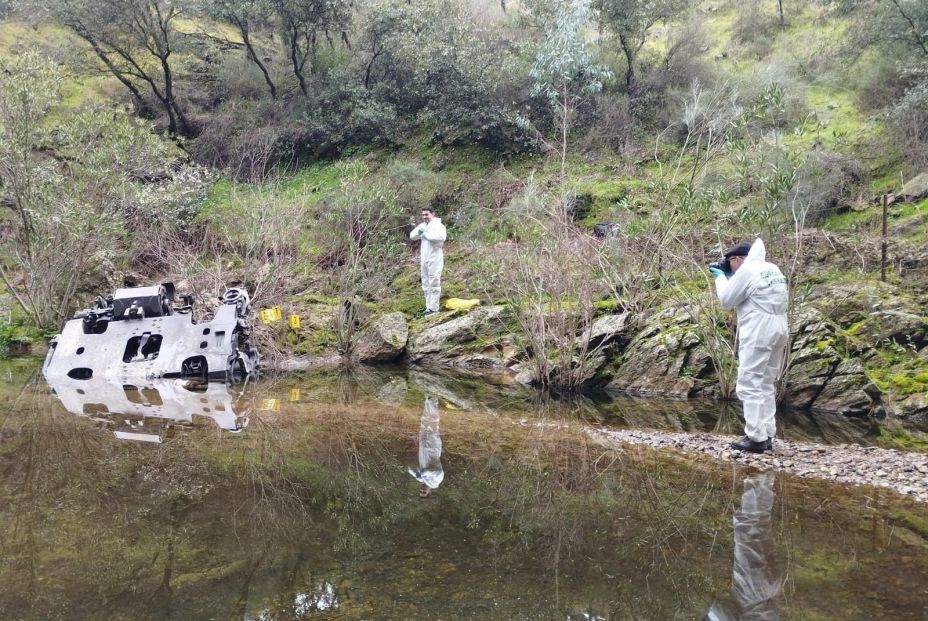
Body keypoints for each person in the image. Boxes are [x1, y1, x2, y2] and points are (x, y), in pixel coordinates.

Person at [709, 238, 788, 453]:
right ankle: (767, 433)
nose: (730, 270)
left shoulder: (748, 269)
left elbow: (726, 299)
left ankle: (755, 437)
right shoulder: (772, 268)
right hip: (780, 327)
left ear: (736, 259)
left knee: (749, 382)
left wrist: (719, 277)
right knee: (766, 381)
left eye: (730, 265)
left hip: (759, 329)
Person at [704, 472, 782, 620]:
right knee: (749, 528)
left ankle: (765, 479)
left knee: (760, 526)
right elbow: (721, 610)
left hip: (766, 591)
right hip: (752, 587)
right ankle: (758, 476)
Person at [409, 207, 447, 316]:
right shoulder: (422, 226)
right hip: (424, 257)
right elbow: (412, 236)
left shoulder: (439, 226)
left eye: (427, 214)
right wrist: (421, 232)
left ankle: (434, 308)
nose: (425, 217)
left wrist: (427, 235)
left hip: (435, 257)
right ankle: (428, 307)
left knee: (434, 281)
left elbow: (441, 237)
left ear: (432, 214)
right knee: (425, 282)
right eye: (423, 215)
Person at [408, 395, 443, 498]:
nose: (422, 489)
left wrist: (416, 475)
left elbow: (409, 468)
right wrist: (422, 474)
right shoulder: (436, 481)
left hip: (423, 447)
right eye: (424, 492)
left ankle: (427, 401)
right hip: (433, 448)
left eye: (420, 491)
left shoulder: (422, 479)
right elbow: (437, 472)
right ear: (429, 492)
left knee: (424, 423)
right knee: (433, 424)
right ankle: (433, 400)